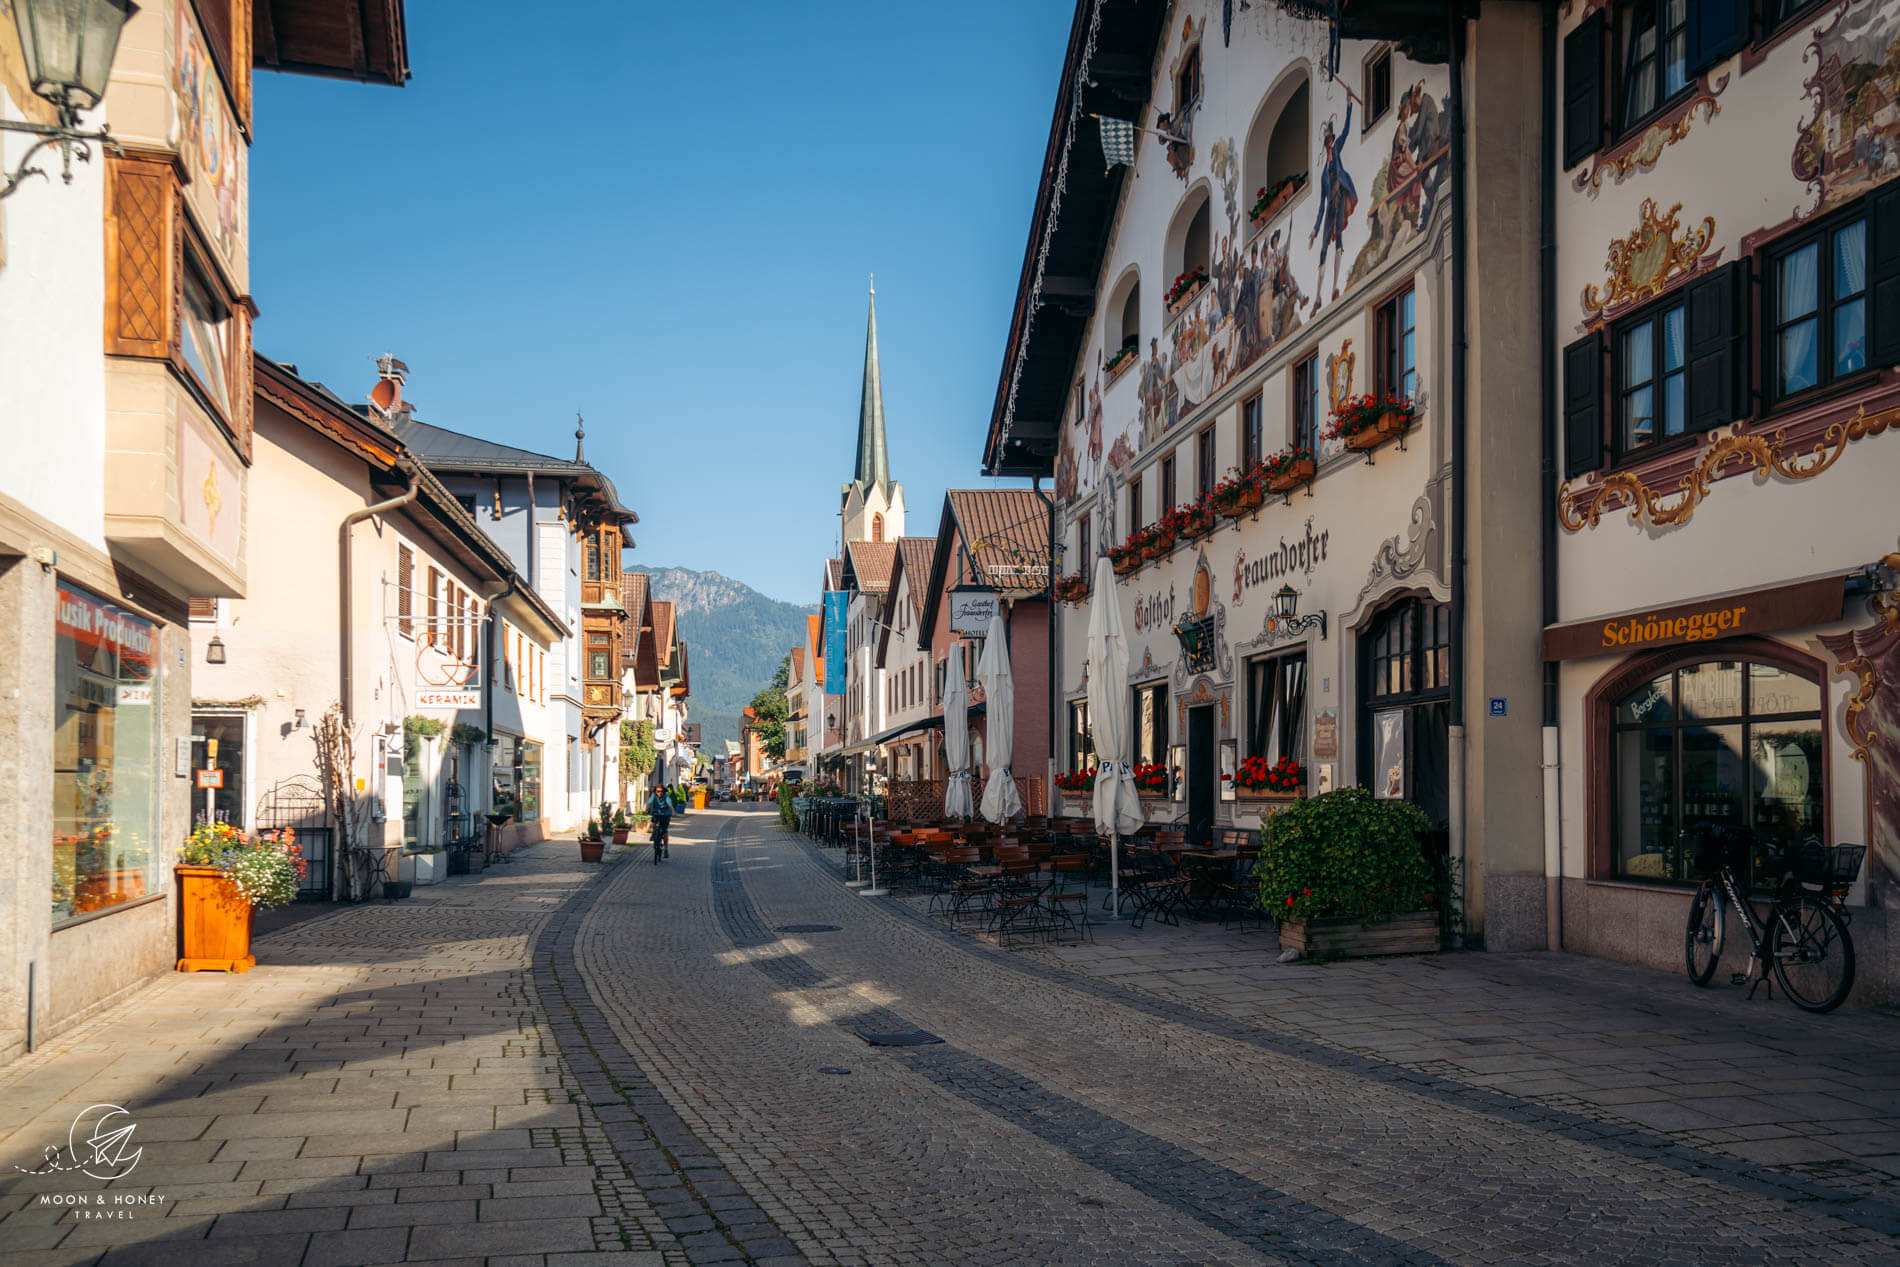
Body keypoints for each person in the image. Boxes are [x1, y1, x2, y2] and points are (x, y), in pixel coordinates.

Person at [645, 784, 672, 862]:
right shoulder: (653, 795)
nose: (659, 793)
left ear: (664, 791)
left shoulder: (666, 796)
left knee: (665, 830)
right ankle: (654, 833)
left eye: (661, 791)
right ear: (655, 791)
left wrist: (673, 811)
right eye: (658, 791)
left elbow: (670, 804)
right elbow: (649, 803)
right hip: (656, 813)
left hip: (665, 814)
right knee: (654, 823)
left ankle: (666, 849)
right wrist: (646, 810)